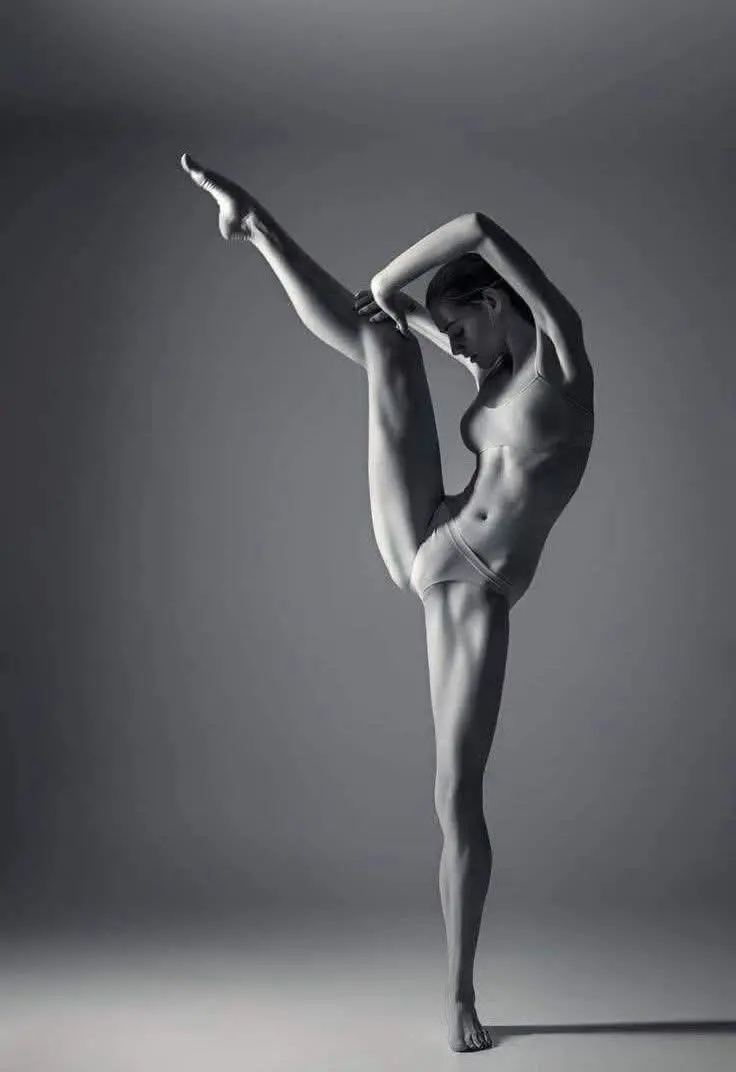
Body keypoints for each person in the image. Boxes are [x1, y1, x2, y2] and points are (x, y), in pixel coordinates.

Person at [180, 153, 595, 1053]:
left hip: (476, 588)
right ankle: (256, 227)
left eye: (462, 329)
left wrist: (383, 282)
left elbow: (478, 226)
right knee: (383, 344)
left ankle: (458, 994)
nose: (459, 349)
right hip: (429, 534)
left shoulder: (560, 359)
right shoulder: (490, 372)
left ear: (494, 302)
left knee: (455, 794)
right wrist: (388, 304)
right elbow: (387, 319)